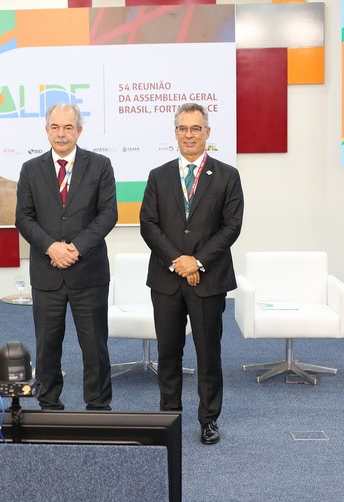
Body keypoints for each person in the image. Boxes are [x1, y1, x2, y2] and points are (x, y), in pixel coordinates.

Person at [140, 102, 243, 445]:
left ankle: (209, 419)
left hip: (209, 280)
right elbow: (149, 225)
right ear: (175, 133)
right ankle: (169, 415)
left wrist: (196, 262)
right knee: (169, 352)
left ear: (207, 133)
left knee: (207, 354)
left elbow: (231, 228)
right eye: (183, 128)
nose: (189, 135)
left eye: (195, 128)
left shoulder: (227, 175)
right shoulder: (158, 175)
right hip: (167, 281)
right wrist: (179, 262)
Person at [15, 102, 118, 411]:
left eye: (68, 127)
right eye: (55, 127)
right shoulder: (31, 170)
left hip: (88, 272)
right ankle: (48, 404)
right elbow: (24, 217)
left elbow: (108, 214)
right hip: (47, 273)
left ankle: (98, 406)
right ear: (47, 131)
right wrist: (52, 247)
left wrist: (75, 248)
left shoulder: (100, 165)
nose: (61, 134)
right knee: (47, 346)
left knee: (94, 346)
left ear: (79, 131)